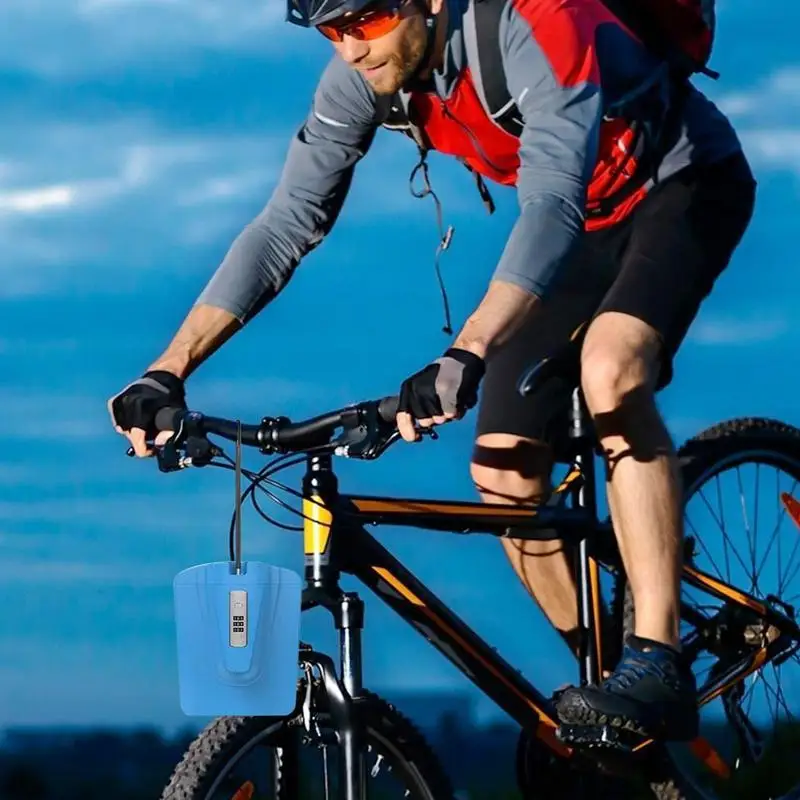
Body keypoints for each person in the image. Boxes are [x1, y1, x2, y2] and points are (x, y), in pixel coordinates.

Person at [108, 0, 756, 744]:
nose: (351, 49)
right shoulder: (362, 75)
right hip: (584, 225)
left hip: (683, 184)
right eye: (332, 30)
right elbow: (288, 221)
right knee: (504, 475)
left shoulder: (540, 19)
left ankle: (656, 658)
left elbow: (549, 205)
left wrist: (468, 350)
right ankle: (603, 692)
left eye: (367, 19)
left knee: (611, 370)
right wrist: (167, 371)